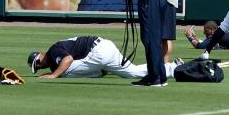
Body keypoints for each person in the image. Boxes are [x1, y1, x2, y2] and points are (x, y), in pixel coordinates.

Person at [28, 34, 177, 81]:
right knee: (133, 72)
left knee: (64, 72)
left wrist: (53, 75)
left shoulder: (53, 50)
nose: (40, 66)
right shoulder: (54, 60)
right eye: (38, 67)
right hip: (105, 48)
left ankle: (98, 72)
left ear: (41, 54)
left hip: (98, 52)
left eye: (38, 62)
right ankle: (172, 68)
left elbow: (68, 60)